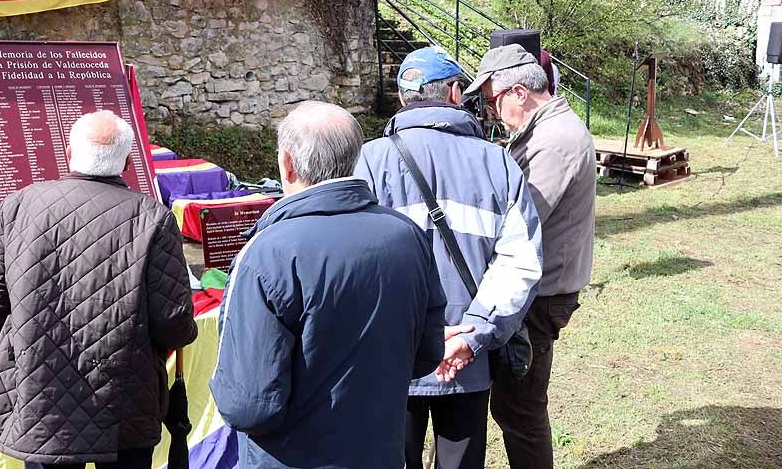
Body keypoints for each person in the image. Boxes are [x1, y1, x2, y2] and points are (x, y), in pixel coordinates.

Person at [210, 100, 449, 469]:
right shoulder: (407, 235)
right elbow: (427, 352)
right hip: (379, 451)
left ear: (286, 163)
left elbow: (248, 405)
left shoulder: (268, 252)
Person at [0, 110, 198, 469]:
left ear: (70, 154)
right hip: (126, 394)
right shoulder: (153, 218)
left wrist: (20, 348)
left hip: (40, 391)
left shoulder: (19, 207)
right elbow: (173, 322)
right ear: (125, 161)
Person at [355, 46, 543, 469]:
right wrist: (473, 334)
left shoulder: (368, 160)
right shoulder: (498, 164)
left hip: (391, 356)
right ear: (457, 93)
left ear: (404, 99)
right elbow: (520, 261)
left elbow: (353, 261)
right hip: (467, 359)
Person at [464, 44, 596, 469]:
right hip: (542, 287)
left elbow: (522, 219)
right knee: (516, 406)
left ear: (518, 92)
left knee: (520, 409)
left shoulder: (554, 141)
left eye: (493, 100)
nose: (492, 110)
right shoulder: (545, 129)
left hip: (541, 294)